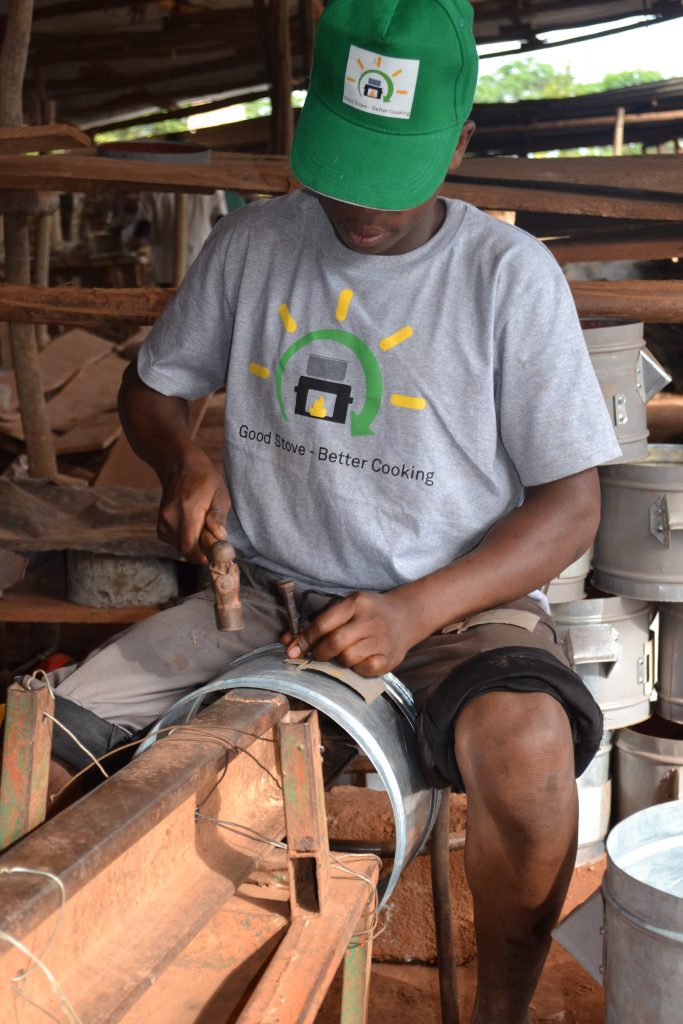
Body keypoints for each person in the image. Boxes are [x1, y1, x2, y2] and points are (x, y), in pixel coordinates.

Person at [44, 1, 621, 1021]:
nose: (357, 208)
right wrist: (179, 460)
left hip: (451, 601)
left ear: (459, 139)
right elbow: (151, 391)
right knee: (51, 750)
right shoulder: (251, 245)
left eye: (389, 177)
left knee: (527, 764)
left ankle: (495, 1009)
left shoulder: (503, 277)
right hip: (263, 594)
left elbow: (570, 505)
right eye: (340, 167)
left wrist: (413, 609)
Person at [124, 188, 227, 285]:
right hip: (201, 261)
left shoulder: (154, 187)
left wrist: (132, 240)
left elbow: (143, 224)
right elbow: (221, 220)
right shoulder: (211, 186)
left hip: (166, 266)